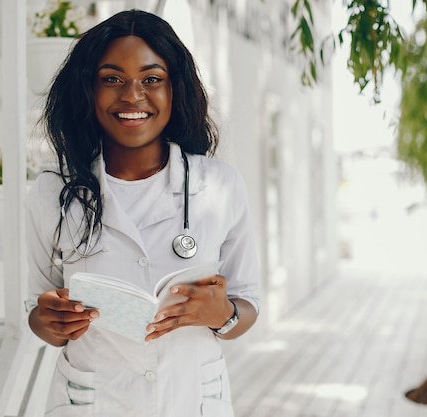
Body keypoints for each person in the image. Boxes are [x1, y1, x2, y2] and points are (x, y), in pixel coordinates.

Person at [25, 9, 261, 417]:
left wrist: (222, 315)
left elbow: (248, 303)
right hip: (94, 400)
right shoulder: (52, 192)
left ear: (176, 89)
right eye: (112, 78)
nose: (132, 95)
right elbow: (37, 309)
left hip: (191, 398)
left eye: (152, 79)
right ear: (88, 90)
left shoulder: (220, 185)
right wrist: (51, 321)